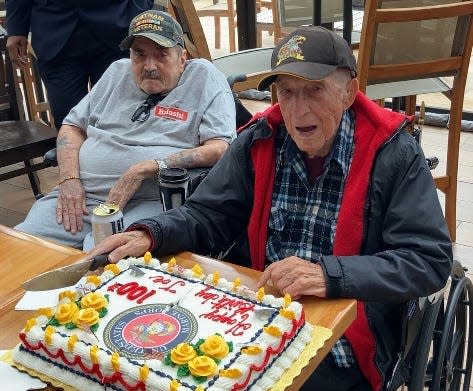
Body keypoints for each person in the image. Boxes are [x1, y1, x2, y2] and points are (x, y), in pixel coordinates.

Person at [88, 26, 452, 390]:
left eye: (314, 90)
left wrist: (329, 275)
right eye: (287, 93)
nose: (298, 109)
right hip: (257, 315)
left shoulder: (392, 153)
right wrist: (151, 233)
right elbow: (207, 214)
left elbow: (428, 259)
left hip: (346, 331)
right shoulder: (260, 139)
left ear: (348, 93)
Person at [15, 10, 236, 250]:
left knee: (102, 259)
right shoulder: (117, 72)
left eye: (161, 55)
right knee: (21, 247)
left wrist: (146, 168)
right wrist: (69, 179)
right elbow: (72, 127)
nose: (149, 66)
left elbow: (220, 147)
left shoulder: (203, 77)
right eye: (139, 54)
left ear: (182, 58)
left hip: (149, 201)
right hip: (80, 198)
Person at [6, 0, 154, 129]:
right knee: (67, 116)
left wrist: (139, 9)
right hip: (54, 30)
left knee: (119, 116)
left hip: (116, 27)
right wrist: (16, 28)